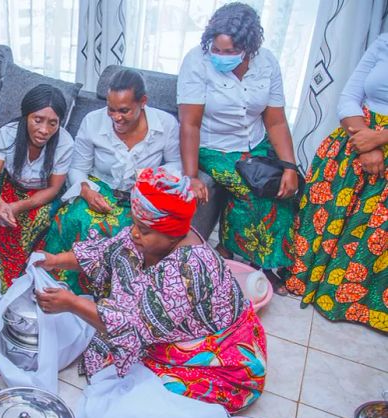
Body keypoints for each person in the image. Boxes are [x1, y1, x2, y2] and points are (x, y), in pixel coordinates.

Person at [35, 167, 267, 414]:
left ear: (173, 234)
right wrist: (53, 260)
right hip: (155, 330)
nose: (134, 233)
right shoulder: (144, 236)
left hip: (219, 360)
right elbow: (103, 253)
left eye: (144, 230)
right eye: (135, 224)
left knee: (143, 401)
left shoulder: (188, 270)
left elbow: (135, 327)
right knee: (107, 355)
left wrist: (72, 303)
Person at [177, 2, 298, 295]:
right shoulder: (197, 62)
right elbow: (189, 125)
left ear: (249, 47)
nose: (221, 57)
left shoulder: (266, 63)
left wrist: (291, 168)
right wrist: (191, 176)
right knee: (252, 191)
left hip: (256, 143)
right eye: (216, 50)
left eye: (230, 52)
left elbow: (277, 122)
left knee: (284, 190)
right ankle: (251, 261)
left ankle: (258, 258)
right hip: (214, 147)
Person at [284, 34, 388, 332]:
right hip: (355, 139)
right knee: (322, 213)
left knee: (373, 233)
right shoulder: (384, 41)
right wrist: (367, 144)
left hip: (370, 139)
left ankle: (349, 302)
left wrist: (379, 138)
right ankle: (307, 280)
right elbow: (349, 96)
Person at [44, 69, 181, 294]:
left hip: (142, 195)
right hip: (99, 188)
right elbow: (78, 168)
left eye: (124, 110)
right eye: (111, 109)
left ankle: (110, 298)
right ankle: (62, 290)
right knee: (73, 220)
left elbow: (177, 165)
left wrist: (149, 176)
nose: (116, 117)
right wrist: (86, 191)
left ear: (143, 102)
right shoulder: (93, 121)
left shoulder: (165, 124)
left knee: (129, 235)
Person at [0, 84, 73, 289]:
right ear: (26, 116)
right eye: (38, 120)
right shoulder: (7, 133)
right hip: (9, 185)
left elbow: (53, 189)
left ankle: (31, 274)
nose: (44, 130)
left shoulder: (65, 143)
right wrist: (0, 204)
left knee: (48, 216)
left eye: (53, 123)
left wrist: (16, 207)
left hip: (42, 193)